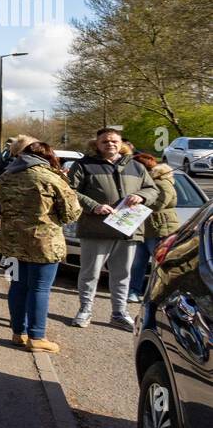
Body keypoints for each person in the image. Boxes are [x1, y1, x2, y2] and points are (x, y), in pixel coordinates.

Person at [0, 141, 82, 354]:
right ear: (48, 157)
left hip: (12, 242)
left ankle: (18, 333)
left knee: (17, 285)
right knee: (40, 289)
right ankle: (37, 336)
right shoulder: (51, 178)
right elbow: (71, 213)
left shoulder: (6, 177)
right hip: (44, 243)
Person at [67, 127, 159, 330]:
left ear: (121, 143)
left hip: (128, 230)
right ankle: (85, 310)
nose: (110, 144)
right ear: (97, 144)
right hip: (95, 230)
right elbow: (69, 192)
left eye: (114, 141)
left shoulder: (136, 166)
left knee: (123, 274)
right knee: (90, 273)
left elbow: (153, 189)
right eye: (105, 141)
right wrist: (93, 206)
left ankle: (119, 312)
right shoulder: (84, 165)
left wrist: (142, 196)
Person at [127, 152, 179, 303]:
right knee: (138, 264)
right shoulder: (142, 183)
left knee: (159, 264)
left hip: (160, 229)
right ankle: (134, 291)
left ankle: (159, 295)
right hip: (142, 229)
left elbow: (158, 204)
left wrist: (138, 199)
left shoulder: (163, 183)